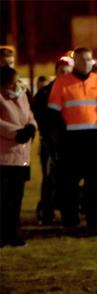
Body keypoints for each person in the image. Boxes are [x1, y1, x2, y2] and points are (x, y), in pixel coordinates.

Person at [48, 47, 97, 233]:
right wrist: (59, 139)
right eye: (81, 59)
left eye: (88, 59)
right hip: (71, 140)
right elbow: (53, 114)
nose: (85, 62)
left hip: (96, 138)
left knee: (96, 184)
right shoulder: (62, 82)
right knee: (69, 184)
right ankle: (71, 222)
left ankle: (94, 222)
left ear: (92, 60)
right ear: (74, 62)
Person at [32, 57, 73, 225]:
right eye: (61, 71)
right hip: (50, 142)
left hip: (70, 142)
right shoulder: (44, 93)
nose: (64, 74)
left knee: (67, 178)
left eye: (67, 71)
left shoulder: (74, 90)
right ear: (56, 72)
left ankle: (67, 211)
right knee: (49, 178)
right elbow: (40, 117)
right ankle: (47, 212)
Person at [0, 66, 37, 247]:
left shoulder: (22, 94)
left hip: (21, 155)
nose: (16, 83)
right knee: (3, 198)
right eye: (13, 80)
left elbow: (29, 114)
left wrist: (31, 126)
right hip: (4, 155)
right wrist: (15, 133)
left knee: (16, 198)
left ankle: (13, 232)